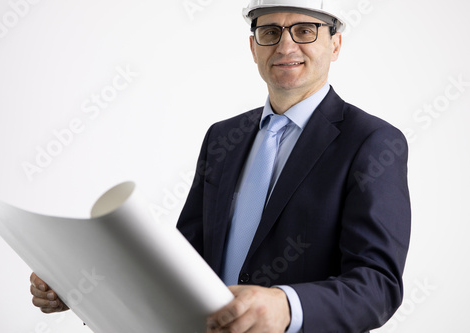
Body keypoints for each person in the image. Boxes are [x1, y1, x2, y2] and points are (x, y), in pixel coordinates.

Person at [30, 1, 411, 332]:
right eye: (270, 31)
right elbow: (182, 262)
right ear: (253, 46)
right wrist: (85, 287)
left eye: (305, 30)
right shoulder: (223, 138)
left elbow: (378, 285)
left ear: (335, 43)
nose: (286, 45)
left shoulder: (371, 142)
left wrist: (286, 307)